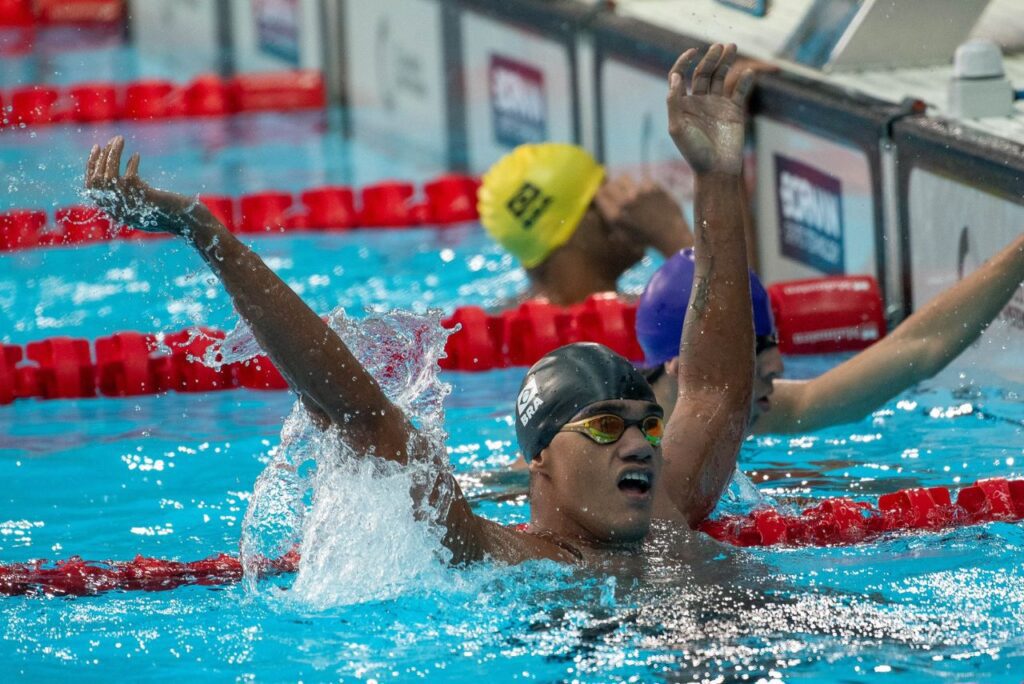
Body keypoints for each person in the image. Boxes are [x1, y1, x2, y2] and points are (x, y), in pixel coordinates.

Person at [85, 44, 755, 563]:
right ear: (540, 460)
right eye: (608, 427)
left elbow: (717, 388)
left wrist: (717, 176)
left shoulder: (667, 514)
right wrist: (207, 234)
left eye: (646, 425)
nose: (639, 443)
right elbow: (359, 414)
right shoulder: (506, 559)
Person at [637, 236, 1024, 435]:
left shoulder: (739, 413)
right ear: (683, 368)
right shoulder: (620, 452)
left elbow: (918, 350)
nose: (776, 364)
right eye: (754, 348)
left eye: (771, 342)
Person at [477, 143, 693, 306]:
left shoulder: (509, 328)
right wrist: (673, 235)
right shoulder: (641, 326)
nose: (627, 207)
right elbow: (718, 327)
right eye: (604, 194)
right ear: (578, 222)